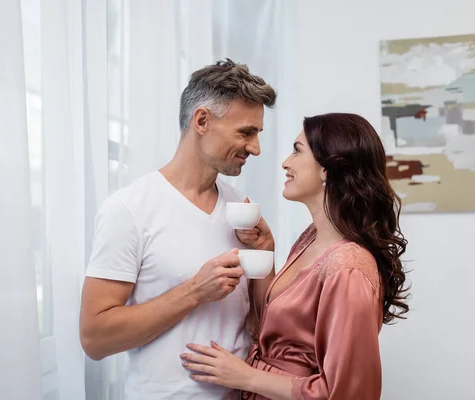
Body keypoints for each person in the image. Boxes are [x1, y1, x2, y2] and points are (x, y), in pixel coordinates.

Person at [79, 59, 277, 399]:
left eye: (257, 133)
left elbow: (262, 323)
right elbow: (95, 339)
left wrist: (265, 253)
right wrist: (195, 291)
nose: (255, 148)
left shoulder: (241, 207)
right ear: (202, 120)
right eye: (246, 132)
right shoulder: (129, 209)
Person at [181, 113, 410, 400]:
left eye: (297, 150)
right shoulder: (311, 237)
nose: (286, 162)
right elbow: (279, 326)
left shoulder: (348, 266)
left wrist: (246, 376)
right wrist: (265, 250)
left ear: (328, 169)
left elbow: (347, 393)